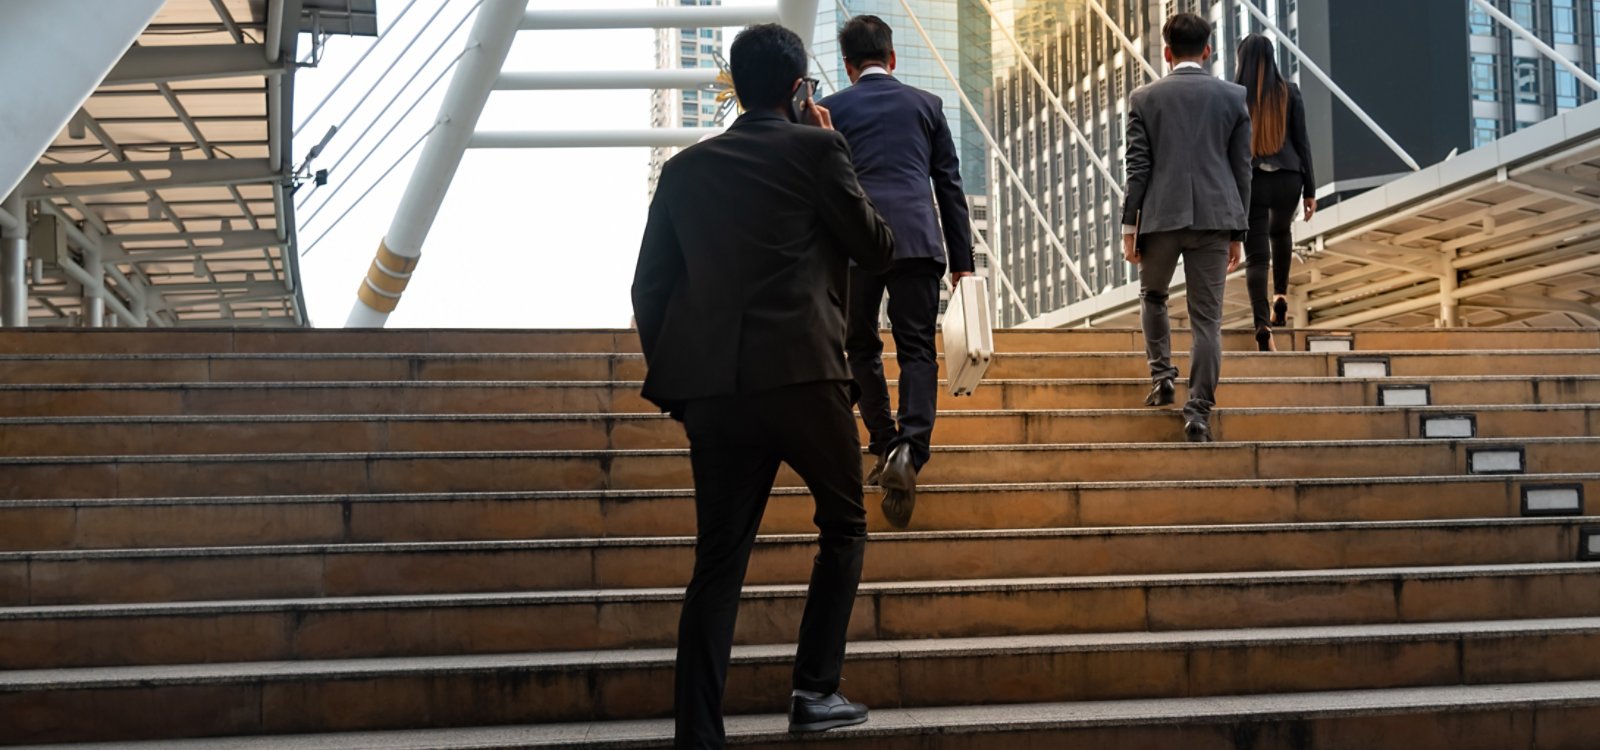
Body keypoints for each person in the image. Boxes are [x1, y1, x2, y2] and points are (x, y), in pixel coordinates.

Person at [631, 22, 896, 749]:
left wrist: (684, 383)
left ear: (735, 87)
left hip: (716, 391)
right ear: (797, 87)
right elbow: (877, 245)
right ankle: (815, 691)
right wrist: (826, 138)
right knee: (843, 526)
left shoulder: (684, 171)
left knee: (717, 562)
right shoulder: (818, 147)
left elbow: (649, 289)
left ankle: (698, 733)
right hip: (807, 376)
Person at [819, 14, 974, 529]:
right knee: (915, 349)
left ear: (846, 65)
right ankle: (911, 448)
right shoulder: (927, 105)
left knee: (860, 346)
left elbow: (820, 191)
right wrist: (963, 264)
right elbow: (948, 186)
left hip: (855, 245)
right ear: (892, 57)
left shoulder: (832, 111)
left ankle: (883, 442)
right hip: (916, 240)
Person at [1121, 12, 1251, 443]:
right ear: (1208, 50)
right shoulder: (1234, 97)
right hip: (1216, 221)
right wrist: (1238, 233)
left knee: (1152, 295)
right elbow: (1242, 170)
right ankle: (1197, 413)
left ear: (1167, 52)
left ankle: (1161, 377)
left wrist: (1129, 229)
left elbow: (1137, 170)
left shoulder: (1144, 98)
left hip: (1159, 220)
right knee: (1206, 322)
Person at [1235, 33, 1315, 352]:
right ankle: (1280, 295)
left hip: (1252, 181)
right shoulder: (1290, 92)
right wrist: (1310, 190)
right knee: (1280, 233)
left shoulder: (1234, 96)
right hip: (1289, 178)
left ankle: (1262, 325)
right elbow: (1303, 143)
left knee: (1256, 256)